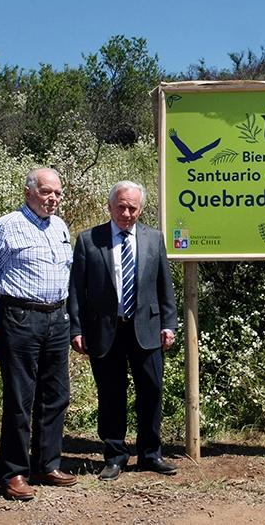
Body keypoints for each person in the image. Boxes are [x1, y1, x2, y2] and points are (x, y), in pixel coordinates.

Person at [0, 167, 77, 500]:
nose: (54, 199)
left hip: (56, 318)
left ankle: (47, 463)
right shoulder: (6, 227)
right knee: (20, 400)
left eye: (58, 193)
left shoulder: (60, 227)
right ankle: (13, 473)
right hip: (20, 319)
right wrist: (0, 320)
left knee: (56, 395)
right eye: (47, 192)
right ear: (28, 192)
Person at [68, 181, 178, 481]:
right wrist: (76, 328)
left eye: (132, 208)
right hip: (106, 330)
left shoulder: (154, 239)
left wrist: (170, 324)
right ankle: (115, 456)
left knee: (151, 391)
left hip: (148, 328)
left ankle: (150, 454)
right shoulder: (89, 240)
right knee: (111, 393)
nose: (126, 213)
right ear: (110, 206)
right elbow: (77, 289)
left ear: (140, 209)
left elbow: (164, 285)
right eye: (121, 207)